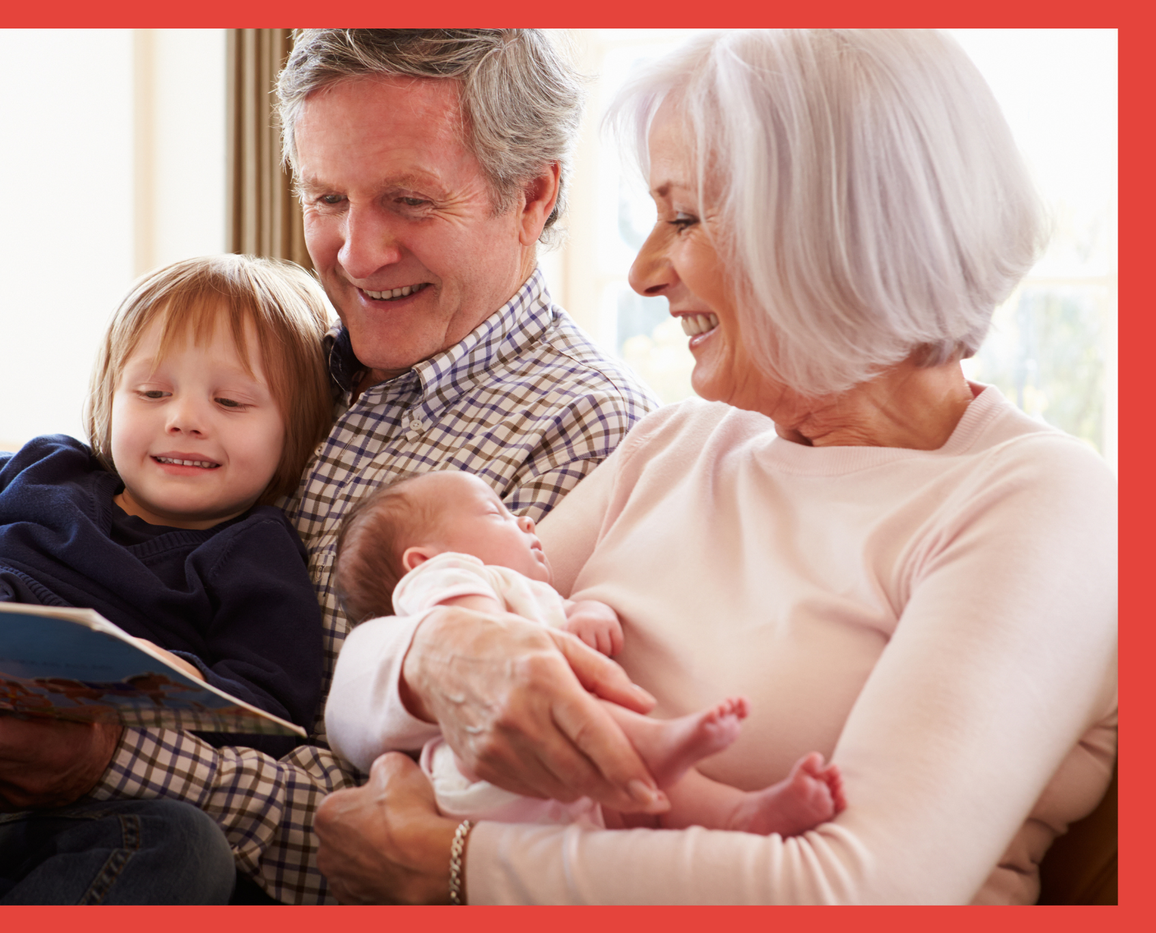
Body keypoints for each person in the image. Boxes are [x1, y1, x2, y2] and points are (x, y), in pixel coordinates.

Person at [314, 29, 1118, 905]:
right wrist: (434, 654)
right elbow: (355, 686)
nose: (643, 271)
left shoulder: (1039, 501)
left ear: (833, 227)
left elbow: (854, 891)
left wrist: (457, 865)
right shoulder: (677, 446)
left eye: (685, 217)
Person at [75, 29, 657, 903]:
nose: (356, 253)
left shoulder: (588, 432)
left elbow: (426, 831)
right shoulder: (268, 367)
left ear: (533, 193)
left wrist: (101, 760)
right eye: (327, 198)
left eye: (410, 202)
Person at [0, 254, 333, 903]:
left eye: (231, 400)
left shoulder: (258, 553)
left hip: (38, 810)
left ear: (295, 428)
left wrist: (164, 676)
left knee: (183, 843)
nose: (184, 417)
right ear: (109, 398)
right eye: (152, 392)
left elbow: (271, 710)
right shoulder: (41, 469)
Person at [332, 468, 846, 836]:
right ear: (424, 560)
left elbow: (572, 612)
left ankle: (741, 816)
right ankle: (659, 742)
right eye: (498, 512)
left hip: (558, 808)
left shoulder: (532, 594)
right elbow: (479, 646)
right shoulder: (450, 579)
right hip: (488, 772)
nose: (529, 520)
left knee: (650, 805)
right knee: (592, 714)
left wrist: (590, 613)